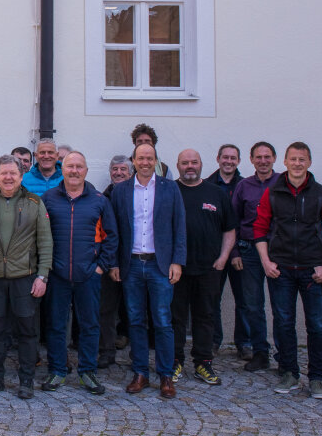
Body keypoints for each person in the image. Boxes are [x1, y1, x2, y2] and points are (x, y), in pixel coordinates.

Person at [254, 142, 322, 399]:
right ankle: (289, 372)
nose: (297, 164)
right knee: (283, 323)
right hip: (280, 270)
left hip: (312, 270)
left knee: (316, 325)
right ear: (285, 162)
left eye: (302, 159)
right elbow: (259, 228)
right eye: (293, 159)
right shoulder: (272, 193)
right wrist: (266, 261)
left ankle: (317, 378)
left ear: (309, 163)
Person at [0, 154, 52, 400]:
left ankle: (26, 380)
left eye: (13, 173)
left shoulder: (35, 202)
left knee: (27, 331)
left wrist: (43, 276)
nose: (8, 177)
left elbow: (45, 242)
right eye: (3, 173)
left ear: (21, 176)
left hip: (25, 278)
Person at [110, 142, 186, 400]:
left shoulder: (169, 188)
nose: (145, 162)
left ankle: (165, 374)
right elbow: (114, 230)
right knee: (135, 320)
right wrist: (115, 263)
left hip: (160, 264)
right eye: (140, 158)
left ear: (156, 161)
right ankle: (140, 372)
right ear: (134, 160)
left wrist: (177, 261)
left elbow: (179, 226)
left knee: (163, 321)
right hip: (131, 264)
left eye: (149, 158)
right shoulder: (121, 190)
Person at [41, 151, 117, 396]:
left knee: (90, 325)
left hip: (88, 275)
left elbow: (111, 236)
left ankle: (87, 371)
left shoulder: (98, 200)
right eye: (70, 166)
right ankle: (57, 370)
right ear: (62, 170)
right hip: (57, 274)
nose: (74, 171)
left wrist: (100, 267)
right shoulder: (48, 199)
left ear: (86, 170)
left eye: (79, 167)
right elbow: (38, 235)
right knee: (56, 325)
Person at [170, 149, 236, 387]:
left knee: (205, 316)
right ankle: (175, 361)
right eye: (185, 162)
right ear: (177, 165)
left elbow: (230, 229)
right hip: (176, 268)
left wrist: (223, 257)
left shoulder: (216, 193)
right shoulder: (170, 191)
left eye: (194, 162)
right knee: (175, 318)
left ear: (201, 164)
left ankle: (203, 362)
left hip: (209, 268)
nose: (190, 166)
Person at [233, 141, 280, 373]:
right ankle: (260, 352)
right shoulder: (244, 186)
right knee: (252, 305)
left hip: (278, 251)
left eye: (267, 156)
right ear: (251, 160)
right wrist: (234, 252)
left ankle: (284, 355)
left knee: (281, 305)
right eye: (258, 157)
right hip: (249, 251)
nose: (263, 161)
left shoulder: (283, 183)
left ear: (274, 158)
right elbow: (233, 221)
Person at [205, 143, 249, 359]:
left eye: (233, 158)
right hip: (215, 251)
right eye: (225, 157)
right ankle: (214, 341)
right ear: (218, 159)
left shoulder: (246, 185)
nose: (229, 161)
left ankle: (245, 343)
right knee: (213, 298)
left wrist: (235, 251)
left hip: (241, 251)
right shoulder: (207, 185)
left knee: (244, 299)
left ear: (238, 161)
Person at [99, 154, 133, 368]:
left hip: (134, 261)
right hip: (110, 262)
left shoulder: (139, 196)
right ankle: (106, 350)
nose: (118, 173)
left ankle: (137, 354)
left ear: (131, 174)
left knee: (136, 309)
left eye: (123, 170)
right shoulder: (103, 197)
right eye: (115, 169)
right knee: (106, 310)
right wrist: (110, 263)